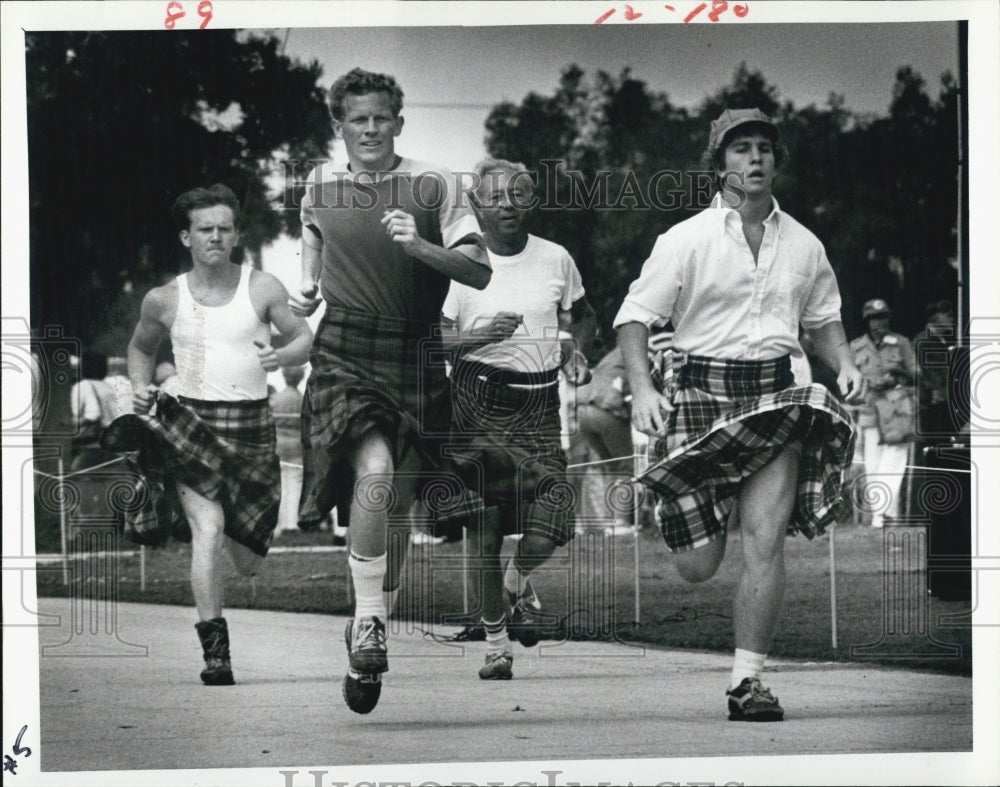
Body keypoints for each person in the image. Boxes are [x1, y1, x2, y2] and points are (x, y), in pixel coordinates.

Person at [614, 108, 865, 722]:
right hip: (699, 393)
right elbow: (634, 318)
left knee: (765, 543)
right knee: (699, 566)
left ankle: (748, 681)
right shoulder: (684, 240)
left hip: (775, 396)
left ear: (776, 162)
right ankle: (688, 520)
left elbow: (823, 317)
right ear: (719, 163)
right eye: (740, 149)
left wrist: (843, 361)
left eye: (764, 149)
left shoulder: (805, 243)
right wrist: (644, 389)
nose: (754, 159)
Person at [288, 68, 490, 713]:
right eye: (357, 119)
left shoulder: (436, 183)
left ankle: (366, 626)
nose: (370, 129)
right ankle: (372, 617)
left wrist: (420, 246)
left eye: (381, 118)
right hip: (345, 346)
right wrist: (308, 283)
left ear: (398, 122)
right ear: (339, 126)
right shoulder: (320, 182)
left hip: (416, 348)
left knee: (396, 510)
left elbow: (479, 271)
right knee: (373, 471)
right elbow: (312, 235)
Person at [116, 183, 312, 685]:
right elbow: (140, 348)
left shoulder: (263, 287)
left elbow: (302, 337)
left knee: (247, 560)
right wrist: (141, 386)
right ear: (187, 236)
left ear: (236, 235)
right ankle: (216, 654)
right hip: (190, 421)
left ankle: (213, 523)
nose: (216, 237)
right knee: (209, 529)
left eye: (225, 229)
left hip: (251, 425)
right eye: (206, 229)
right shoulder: (164, 298)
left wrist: (282, 357)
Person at [440, 157, 596, 680]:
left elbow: (585, 312)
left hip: (539, 403)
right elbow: (432, 340)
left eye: (518, 195)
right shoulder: (457, 265)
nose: (507, 205)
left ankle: (515, 581)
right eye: (496, 197)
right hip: (475, 402)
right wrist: (479, 337)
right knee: (483, 532)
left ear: (531, 202)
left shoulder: (556, 258)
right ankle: (495, 646)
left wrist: (576, 349)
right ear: (477, 206)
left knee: (551, 524)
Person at [850, 298, 916, 527]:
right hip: (869, 411)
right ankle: (886, 515)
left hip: (896, 409)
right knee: (873, 467)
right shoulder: (856, 346)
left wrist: (896, 375)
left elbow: (917, 374)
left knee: (895, 461)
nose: (880, 322)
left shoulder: (901, 343)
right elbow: (849, 380)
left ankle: (882, 516)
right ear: (867, 322)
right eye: (874, 318)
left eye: (883, 317)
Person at [68, 349, 119, 471]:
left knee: (74, 477)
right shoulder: (109, 387)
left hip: (91, 444)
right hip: (112, 441)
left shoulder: (82, 386)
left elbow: (93, 415)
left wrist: (74, 422)